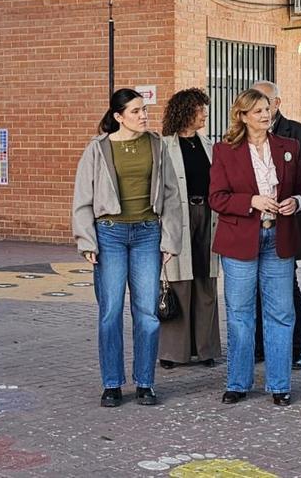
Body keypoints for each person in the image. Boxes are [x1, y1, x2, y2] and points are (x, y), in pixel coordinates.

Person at [72, 88, 182, 407]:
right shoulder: (98, 149)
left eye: (144, 110)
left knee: (147, 313)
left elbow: (172, 196)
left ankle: (145, 383)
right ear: (119, 117)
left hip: (148, 233)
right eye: (135, 111)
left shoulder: (157, 145)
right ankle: (112, 384)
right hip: (109, 234)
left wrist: (170, 239)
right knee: (110, 312)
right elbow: (83, 197)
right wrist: (86, 240)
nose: (143, 116)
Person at [209, 89, 301, 407]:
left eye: (267, 109)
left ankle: (279, 385)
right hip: (240, 241)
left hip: (278, 239)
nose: (265, 115)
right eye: (257, 111)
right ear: (241, 116)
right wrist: (250, 201)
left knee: (281, 313)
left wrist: (296, 202)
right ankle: (238, 383)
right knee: (240, 314)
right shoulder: (225, 150)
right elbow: (217, 198)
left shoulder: (289, 146)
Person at [251, 81, 301, 370]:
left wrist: (284, 177)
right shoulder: (243, 135)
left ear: (277, 104)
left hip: (286, 220)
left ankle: (296, 345)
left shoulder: (298, 132)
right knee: (252, 287)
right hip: (251, 222)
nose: (261, 109)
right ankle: (259, 345)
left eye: (265, 102)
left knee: (287, 286)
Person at [158, 88, 221, 369]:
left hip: (208, 215)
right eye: (199, 109)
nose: (204, 113)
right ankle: (173, 352)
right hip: (176, 217)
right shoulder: (163, 146)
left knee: (206, 279)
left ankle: (205, 349)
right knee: (178, 281)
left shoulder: (209, 144)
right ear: (184, 112)